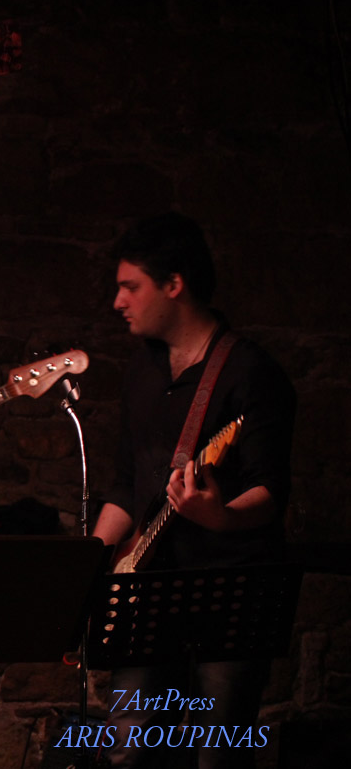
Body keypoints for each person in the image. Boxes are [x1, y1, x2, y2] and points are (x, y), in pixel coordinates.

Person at [92, 212, 295, 769]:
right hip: (147, 592)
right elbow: (127, 484)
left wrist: (221, 517)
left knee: (218, 755)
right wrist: (92, 561)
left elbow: (270, 489)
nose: (118, 301)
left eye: (130, 286)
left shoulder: (250, 373)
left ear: (174, 285)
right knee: (126, 750)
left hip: (229, 594)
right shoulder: (141, 371)